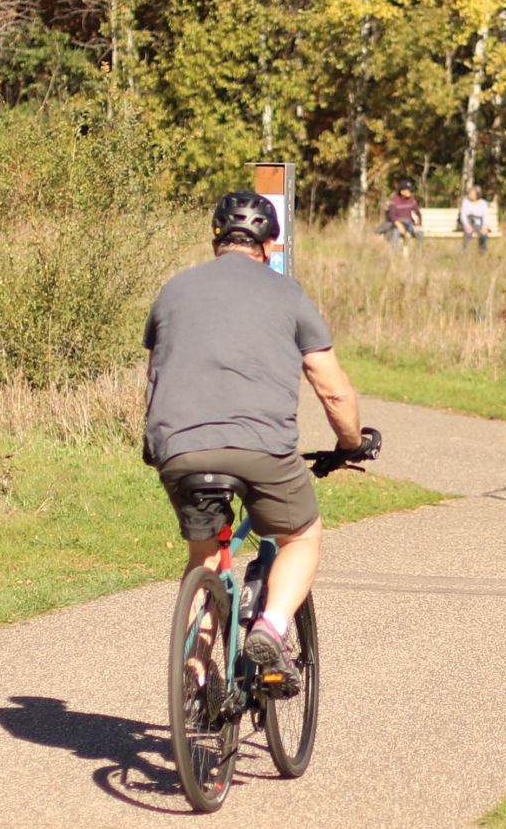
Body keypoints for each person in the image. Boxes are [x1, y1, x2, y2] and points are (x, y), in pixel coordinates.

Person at [143, 190, 374, 682]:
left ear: (216, 239)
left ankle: (194, 671)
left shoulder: (173, 290)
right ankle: (270, 626)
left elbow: (155, 375)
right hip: (260, 449)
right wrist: (351, 443)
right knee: (300, 536)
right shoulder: (288, 294)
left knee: (204, 557)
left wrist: (156, 442)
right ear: (270, 244)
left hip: (179, 447)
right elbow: (333, 392)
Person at [376, 177, 423, 247]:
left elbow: (418, 213)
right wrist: (398, 224)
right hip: (397, 224)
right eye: (408, 190)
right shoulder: (394, 200)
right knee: (395, 232)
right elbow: (392, 215)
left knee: (419, 233)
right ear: (402, 191)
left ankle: (419, 254)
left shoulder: (412, 200)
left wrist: (418, 224)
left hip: (409, 223)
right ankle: (394, 256)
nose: (410, 192)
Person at [459, 181, 495, 253]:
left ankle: (482, 252)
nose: (469, 195)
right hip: (469, 222)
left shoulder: (483, 203)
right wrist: (467, 225)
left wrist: (484, 226)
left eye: (472, 193)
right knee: (468, 233)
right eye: (469, 193)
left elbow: (485, 216)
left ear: (477, 195)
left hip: (479, 223)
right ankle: (465, 252)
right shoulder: (465, 202)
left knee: (483, 234)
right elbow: (463, 215)